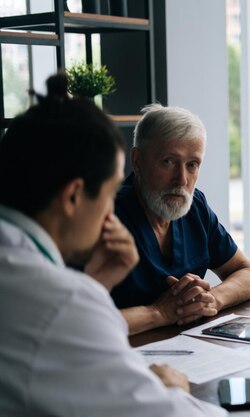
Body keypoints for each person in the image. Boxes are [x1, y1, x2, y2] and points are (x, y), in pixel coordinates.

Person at [0, 73, 227, 416]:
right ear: (74, 196)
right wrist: (174, 390)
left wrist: (95, 284)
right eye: (108, 196)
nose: (111, 214)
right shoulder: (59, 302)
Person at [112, 104, 250, 335]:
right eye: (169, 162)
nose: (181, 179)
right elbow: (79, 324)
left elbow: (248, 273)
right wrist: (159, 313)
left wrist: (211, 298)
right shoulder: (105, 215)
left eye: (192, 165)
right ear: (137, 161)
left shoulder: (195, 207)